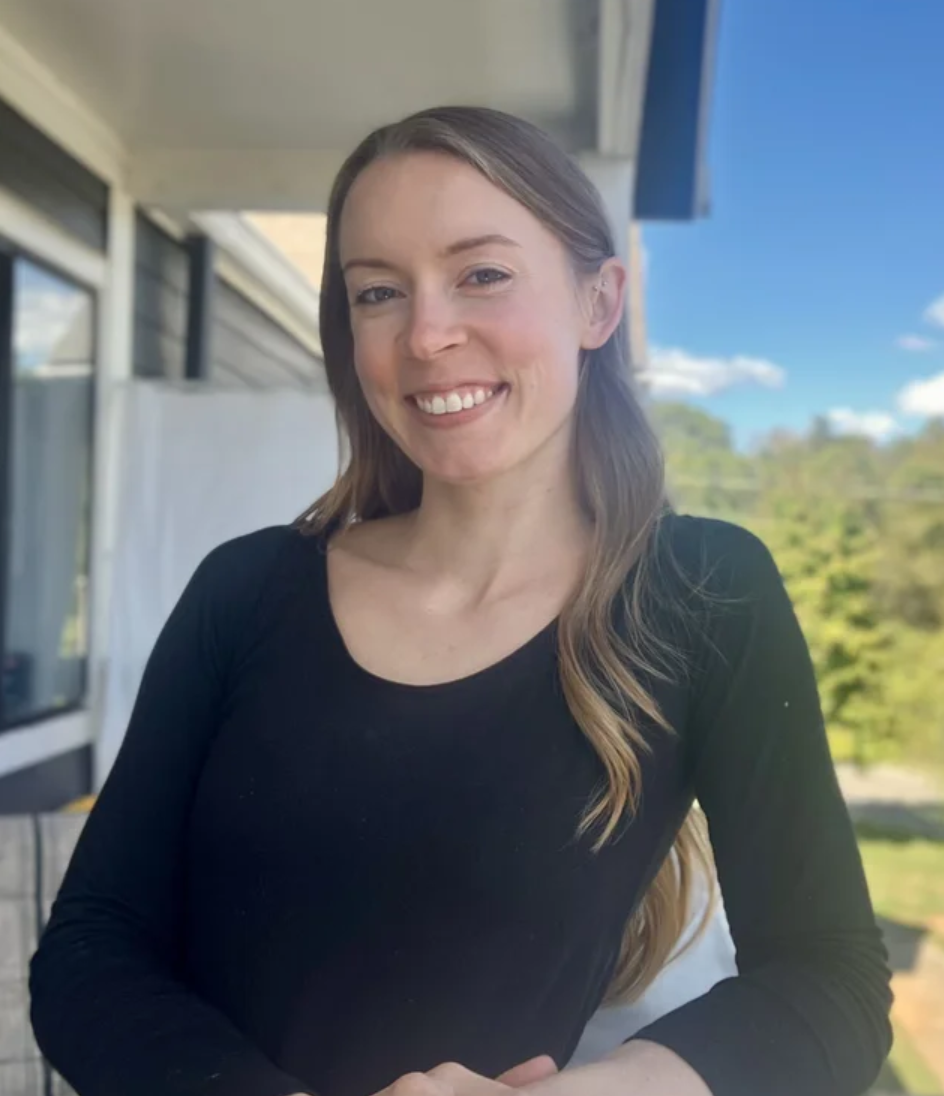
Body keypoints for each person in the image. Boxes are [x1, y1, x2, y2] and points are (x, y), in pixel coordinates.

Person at [30, 106, 892, 1096]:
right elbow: (91, 951)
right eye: (378, 292)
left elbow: (827, 979)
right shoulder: (248, 589)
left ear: (597, 303)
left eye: (481, 274)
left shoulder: (702, 597)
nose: (428, 335)